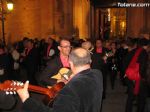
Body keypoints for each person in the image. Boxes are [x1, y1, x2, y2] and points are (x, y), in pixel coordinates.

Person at [17, 47, 103, 112]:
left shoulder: (69, 90)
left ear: (70, 63)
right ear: (90, 61)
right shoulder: (98, 74)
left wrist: (26, 100)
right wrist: (75, 77)